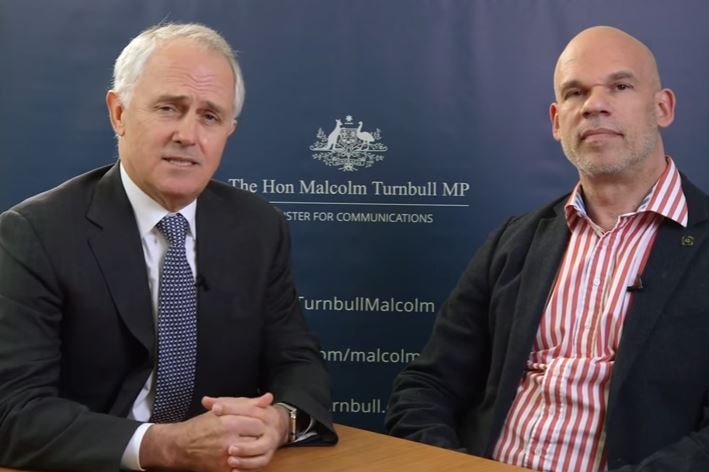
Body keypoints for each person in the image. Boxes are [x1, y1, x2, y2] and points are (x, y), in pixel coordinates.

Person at [0, 23, 336, 472]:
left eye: (209, 117)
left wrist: (280, 422)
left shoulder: (258, 227)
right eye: (169, 108)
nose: (188, 134)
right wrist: (163, 446)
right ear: (118, 113)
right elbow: (15, 412)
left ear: (228, 131)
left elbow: (298, 362)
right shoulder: (34, 233)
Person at [386, 25, 709, 472]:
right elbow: (426, 386)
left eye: (620, 85)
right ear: (558, 121)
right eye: (575, 93)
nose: (595, 105)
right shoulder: (514, 241)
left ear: (663, 107)